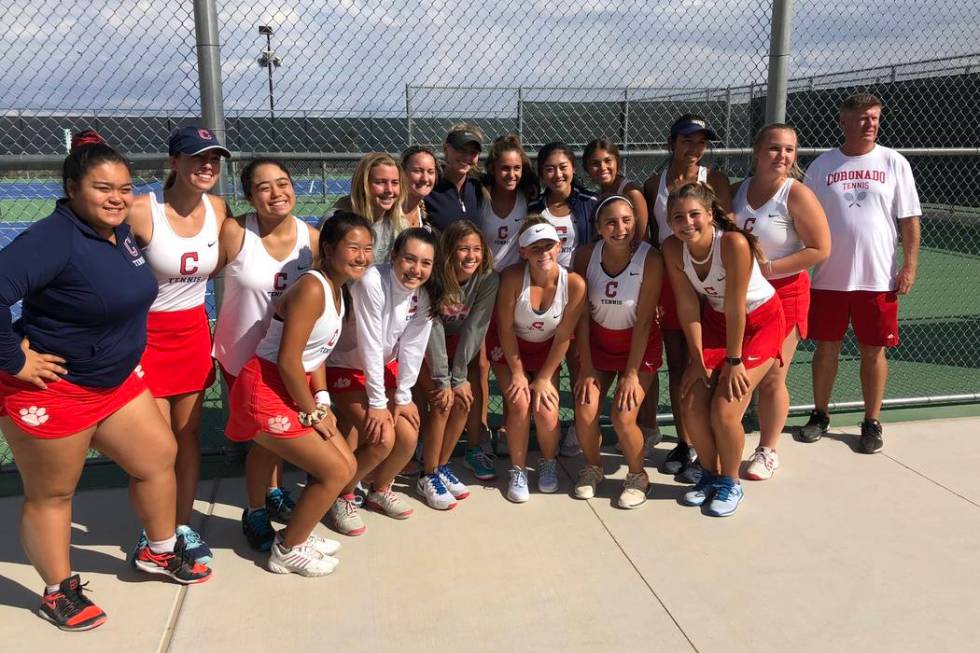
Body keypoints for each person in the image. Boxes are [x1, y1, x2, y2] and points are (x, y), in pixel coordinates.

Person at [0, 131, 211, 632]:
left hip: (115, 383)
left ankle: (158, 551)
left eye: (124, 187)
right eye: (102, 188)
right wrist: (14, 361)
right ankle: (58, 590)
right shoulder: (53, 239)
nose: (116, 197)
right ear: (73, 189)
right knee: (52, 495)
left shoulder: (117, 233)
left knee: (158, 459)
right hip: (55, 391)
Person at [225, 212, 371, 576]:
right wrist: (313, 412)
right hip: (266, 386)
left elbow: (315, 354)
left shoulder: (338, 289)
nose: (362, 256)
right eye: (353, 247)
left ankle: (297, 534)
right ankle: (287, 549)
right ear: (329, 249)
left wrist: (321, 398)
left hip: (292, 384)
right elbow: (289, 360)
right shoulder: (312, 287)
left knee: (347, 465)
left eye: (368, 249)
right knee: (335, 471)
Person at [125, 126, 232, 563]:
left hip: (191, 332)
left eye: (213, 159)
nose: (206, 166)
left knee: (186, 439)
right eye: (196, 158)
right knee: (154, 445)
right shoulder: (140, 211)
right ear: (174, 163)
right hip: (144, 335)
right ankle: (154, 532)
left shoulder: (219, 208)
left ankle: (180, 525)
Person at [798, 93, 921, 453]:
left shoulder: (894, 162)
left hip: (878, 278)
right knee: (826, 349)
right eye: (862, 118)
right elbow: (804, 218)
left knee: (873, 351)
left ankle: (871, 421)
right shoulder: (822, 166)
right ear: (844, 122)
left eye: (875, 118)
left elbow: (909, 219)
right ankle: (820, 415)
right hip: (828, 279)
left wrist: (909, 265)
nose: (870, 124)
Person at [212, 158, 319, 551]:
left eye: (283, 183)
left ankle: (271, 494)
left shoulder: (312, 238)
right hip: (243, 357)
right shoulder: (236, 232)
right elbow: (199, 278)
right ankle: (255, 510)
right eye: (264, 187)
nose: (277, 193)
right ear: (249, 196)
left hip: (288, 359)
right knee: (263, 437)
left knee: (274, 435)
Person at [662, 182, 785, 518]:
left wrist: (733, 361)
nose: (687, 222)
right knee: (692, 402)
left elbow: (736, 306)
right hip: (717, 322)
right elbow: (688, 306)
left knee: (725, 408)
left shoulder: (732, 243)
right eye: (678, 217)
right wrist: (697, 360)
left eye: (694, 214)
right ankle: (710, 474)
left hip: (759, 321)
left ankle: (731, 482)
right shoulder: (673, 249)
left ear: (711, 214)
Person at [732, 124, 830, 479]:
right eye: (775, 148)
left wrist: (768, 268)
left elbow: (820, 248)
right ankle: (726, 442)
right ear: (757, 151)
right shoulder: (737, 190)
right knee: (737, 371)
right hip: (744, 298)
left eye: (789, 150)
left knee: (774, 375)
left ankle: (767, 450)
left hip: (786, 295)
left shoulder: (797, 193)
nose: (783, 156)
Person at [325, 228, 439, 535]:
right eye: (410, 259)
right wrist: (378, 403)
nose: (416, 269)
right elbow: (370, 344)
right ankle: (342, 496)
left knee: (408, 434)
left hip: (381, 367)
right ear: (394, 257)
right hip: (345, 366)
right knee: (381, 438)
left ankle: (378, 489)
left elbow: (415, 345)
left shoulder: (425, 293)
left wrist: (404, 396)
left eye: (425, 263)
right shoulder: (372, 281)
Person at [643, 114, 733, 481]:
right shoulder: (653, 183)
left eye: (701, 142)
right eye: (687, 140)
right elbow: (654, 236)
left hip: (708, 283)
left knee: (707, 362)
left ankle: (708, 444)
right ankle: (687, 441)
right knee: (678, 364)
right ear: (672, 143)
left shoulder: (714, 181)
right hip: (672, 283)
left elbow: (728, 228)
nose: (694, 148)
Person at [571, 196, 663, 509]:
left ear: (635, 223)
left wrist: (632, 374)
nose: (619, 228)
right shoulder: (584, 256)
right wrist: (584, 367)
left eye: (626, 220)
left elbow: (645, 321)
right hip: (598, 346)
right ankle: (593, 467)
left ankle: (638, 476)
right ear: (598, 227)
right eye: (611, 222)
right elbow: (581, 317)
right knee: (584, 411)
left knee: (624, 417)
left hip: (638, 347)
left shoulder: (650, 259)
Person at [488, 217, 586, 502]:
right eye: (535, 248)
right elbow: (505, 329)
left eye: (548, 246)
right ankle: (518, 470)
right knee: (519, 403)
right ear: (523, 252)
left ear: (559, 247)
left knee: (546, 409)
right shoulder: (512, 278)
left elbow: (564, 335)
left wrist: (543, 378)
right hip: (509, 349)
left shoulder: (575, 284)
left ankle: (548, 462)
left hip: (547, 351)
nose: (543, 253)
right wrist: (518, 373)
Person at [415, 221, 499, 509]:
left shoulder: (488, 278)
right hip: (424, 344)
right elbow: (432, 324)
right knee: (441, 401)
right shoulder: (433, 276)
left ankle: (441, 466)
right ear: (449, 252)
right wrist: (443, 378)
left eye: (476, 249)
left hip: (459, 347)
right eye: (463, 249)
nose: (471, 256)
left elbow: (476, 327)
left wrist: (459, 376)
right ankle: (427, 475)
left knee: (464, 399)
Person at [529, 142, 598, 458]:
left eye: (563, 166)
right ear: (542, 173)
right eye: (549, 168)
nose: (557, 174)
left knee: (580, 361)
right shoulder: (534, 209)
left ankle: (579, 429)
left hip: (581, 292)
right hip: (547, 295)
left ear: (573, 167)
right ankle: (546, 424)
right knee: (551, 357)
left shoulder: (589, 204)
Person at [321, 152, 405, 261]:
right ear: (363, 185)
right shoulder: (335, 221)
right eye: (380, 182)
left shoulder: (399, 223)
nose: (389, 190)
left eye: (394, 183)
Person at [478, 133, 537, 271]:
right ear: (493, 169)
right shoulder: (480, 197)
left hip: (516, 277)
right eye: (505, 168)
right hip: (484, 277)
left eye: (517, 168)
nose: (511, 175)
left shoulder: (528, 198)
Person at [584, 138, 649, 244]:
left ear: (617, 162)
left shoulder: (632, 193)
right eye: (595, 163)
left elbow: (642, 240)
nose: (602, 167)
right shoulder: (597, 194)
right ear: (587, 168)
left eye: (608, 161)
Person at [424, 123, 486, 230]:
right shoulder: (429, 186)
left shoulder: (478, 186)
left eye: (473, 152)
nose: (467, 156)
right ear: (446, 149)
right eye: (461, 150)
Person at [400, 145, 438, 230]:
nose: (425, 178)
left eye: (430, 172)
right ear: (402, 173)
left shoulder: (425, 212)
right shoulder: (389, 210)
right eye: (417, 171)